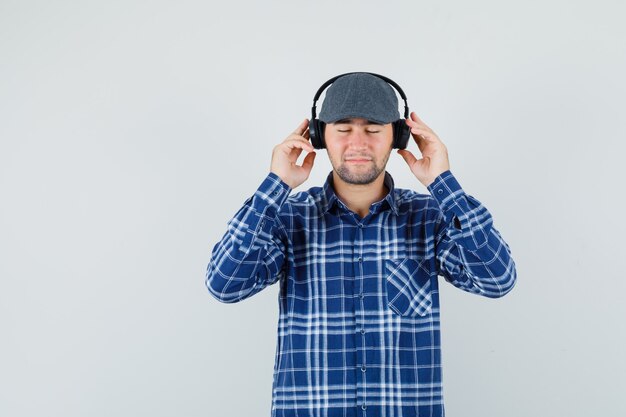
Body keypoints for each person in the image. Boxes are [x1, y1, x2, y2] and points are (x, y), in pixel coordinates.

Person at [205, 72, 517, 417]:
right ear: (320, 136)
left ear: (398, 137)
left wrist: (443, 183)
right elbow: (225, 285)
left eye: (372, 129)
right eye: (342, 129)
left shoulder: (430, 218)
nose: (358, 143)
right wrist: (275, 185)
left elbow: (497, 280)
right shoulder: (287, 219)